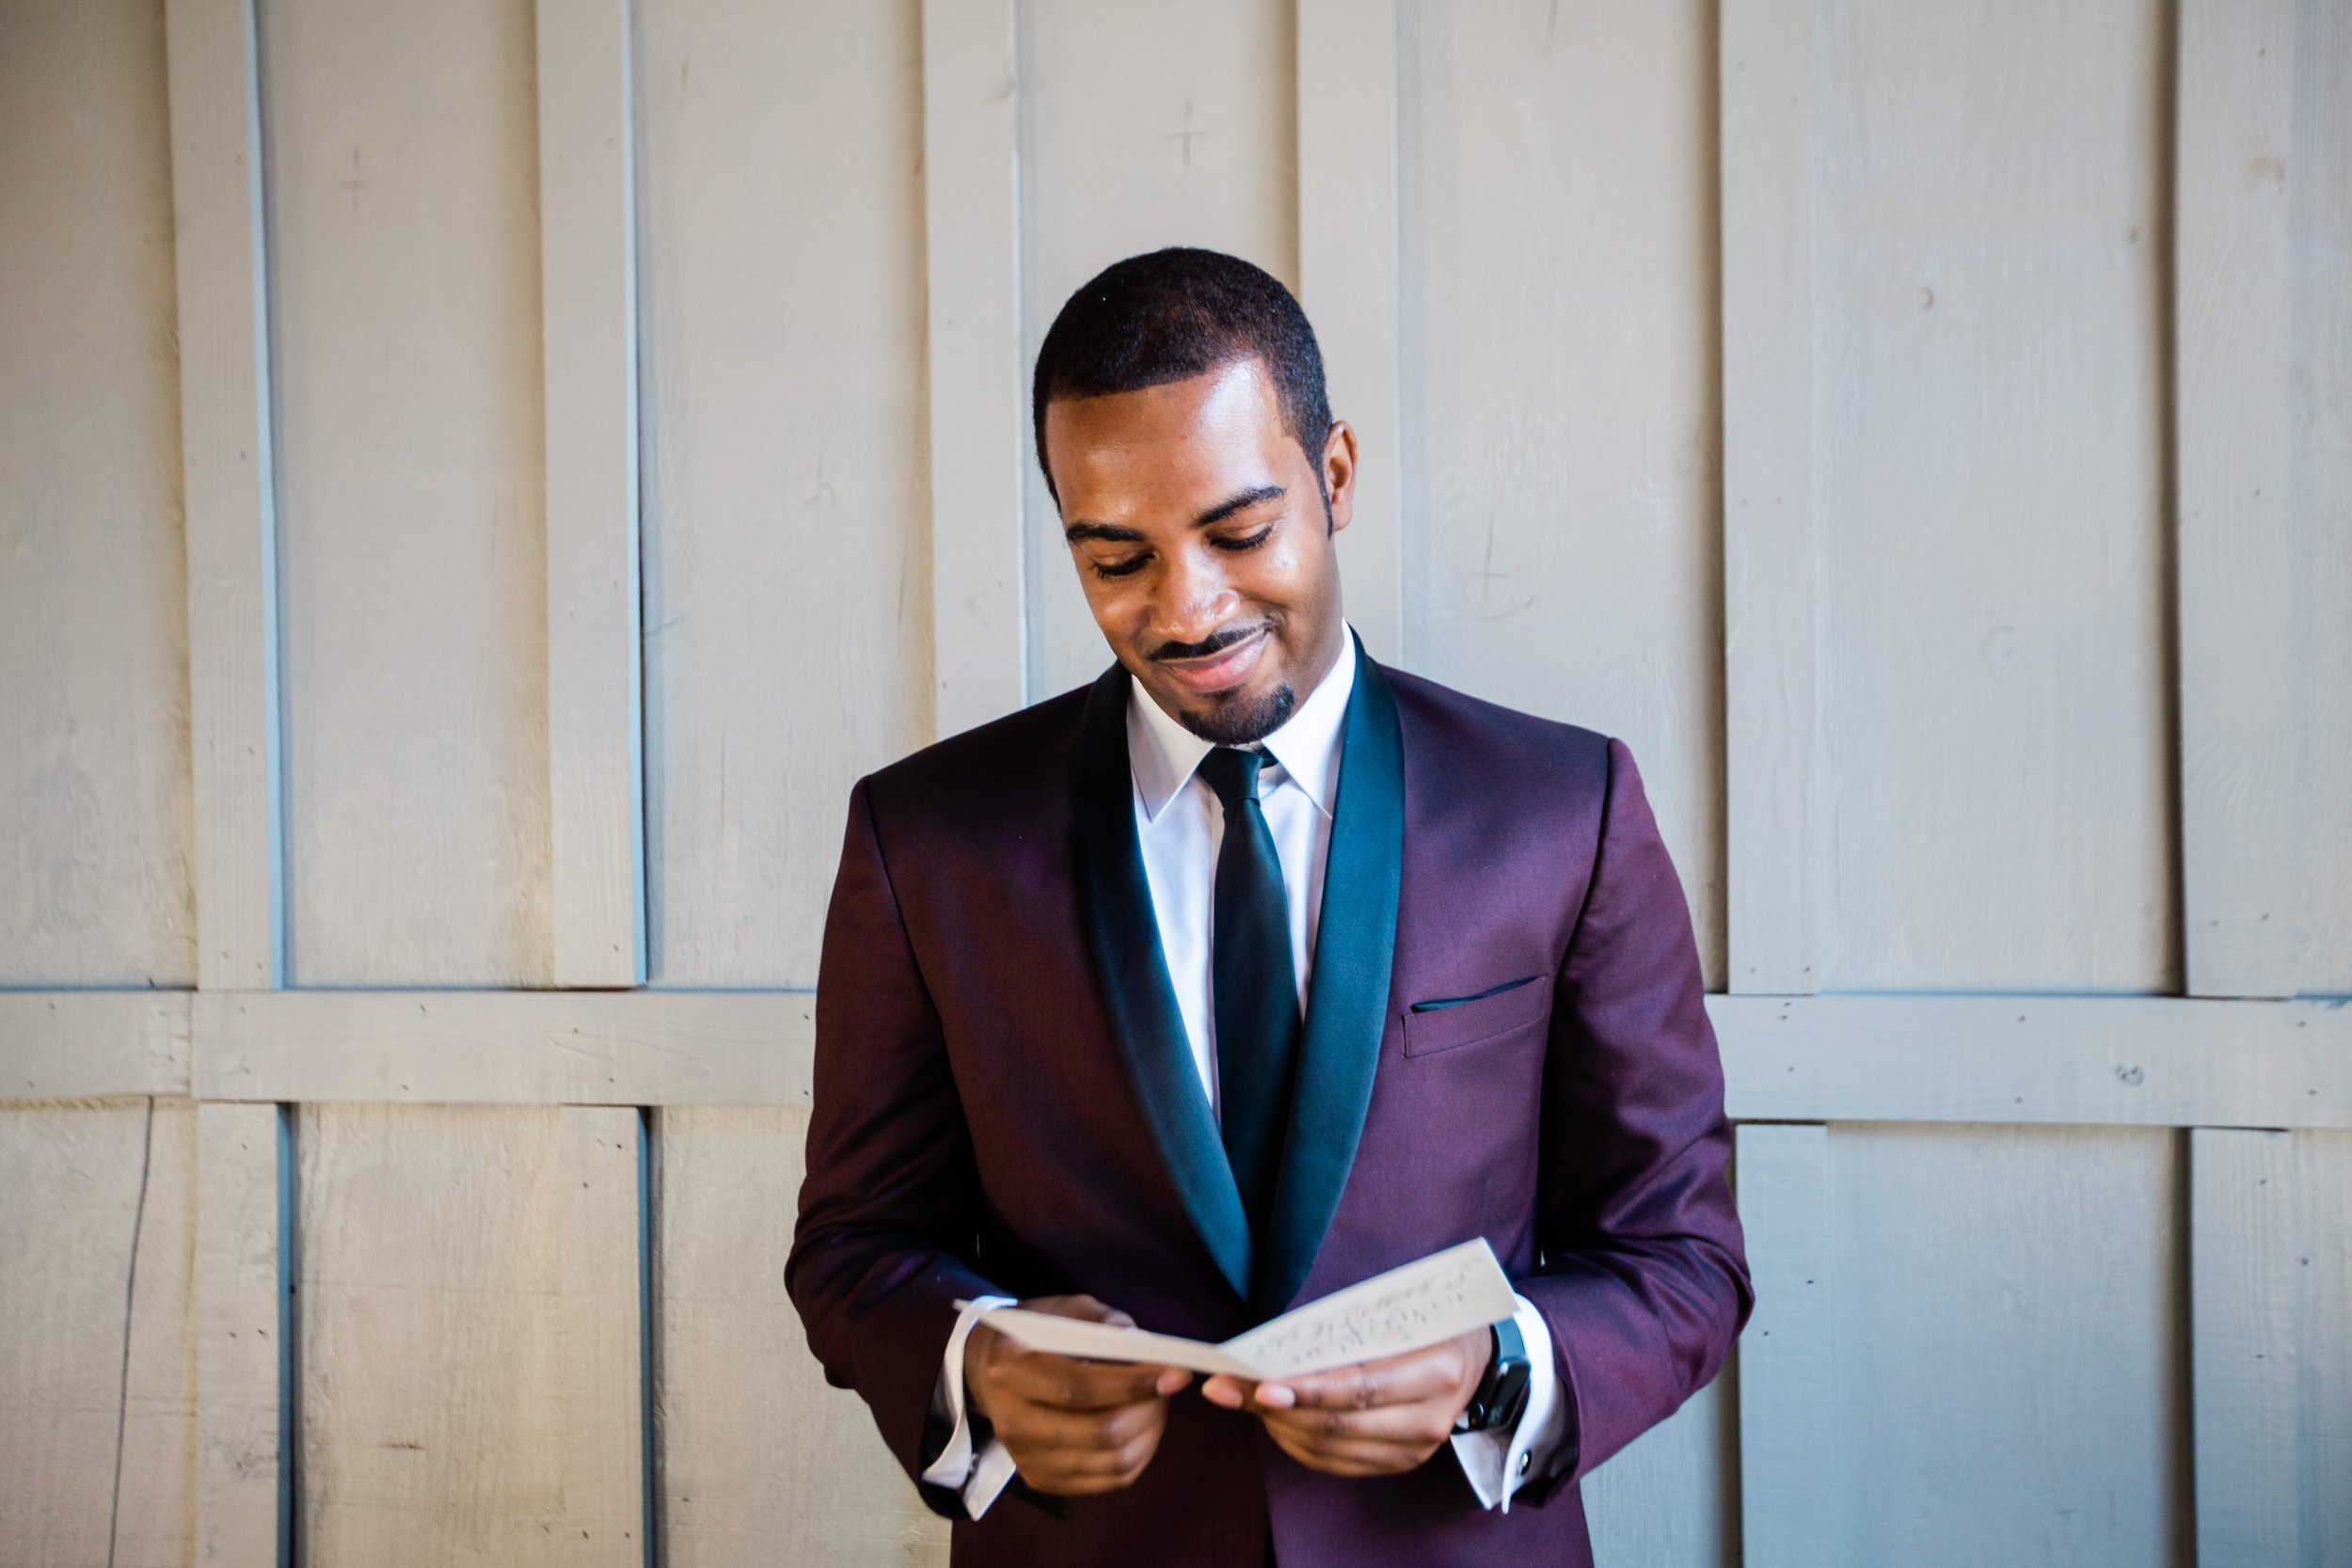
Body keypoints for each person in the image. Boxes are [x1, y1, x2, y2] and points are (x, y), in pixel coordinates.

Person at [787, 246, 1750, 1567]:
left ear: (1335, 476)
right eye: (1115, 557)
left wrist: (1498, 1370)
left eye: (1240, 533)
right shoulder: (929, 842)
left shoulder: (1563, 809)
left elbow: (1680, 1252)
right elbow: (856, 1243)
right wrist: (976, 1365)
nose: (1187, 607)